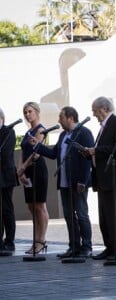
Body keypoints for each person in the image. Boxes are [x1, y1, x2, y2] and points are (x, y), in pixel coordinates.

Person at [31, 106, 94, 258]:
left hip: (78, 182)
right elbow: (54, 154)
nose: (59, 120)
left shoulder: (84, 133)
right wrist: (38, 146)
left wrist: (83, 181)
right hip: (65, 182)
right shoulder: (63, 135)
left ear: (71, 118)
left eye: (61, 117)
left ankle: (86, 247)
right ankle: (74, 246)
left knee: (81, 214)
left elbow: (88, 159)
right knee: (68, 214)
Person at [85, 97, 116, 261]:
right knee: (104, 214)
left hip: (114, 176)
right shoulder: (103, 126)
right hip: (103, 176)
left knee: (114, 213)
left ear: (104, 108)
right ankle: (109, 246)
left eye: (94, 110)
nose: (93, 114)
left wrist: (96, 150)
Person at [17, 102, 49, 254]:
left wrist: (25, 166)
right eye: (25, 112)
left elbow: (36, 153)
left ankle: (41, 241)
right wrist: (20, 170)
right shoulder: (28, 132)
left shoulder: (41, 130)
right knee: (31, 206)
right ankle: (35, 240)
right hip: (27, 172)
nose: (27, 115)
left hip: (38, 170)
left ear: (37, 112)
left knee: (39, 206)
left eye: (30, 111)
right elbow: (23, 152)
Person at [0, 108, 18, 252]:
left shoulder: (9, 132)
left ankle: (10, 241)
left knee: (6, 209)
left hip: (5, 176)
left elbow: (5, 154)